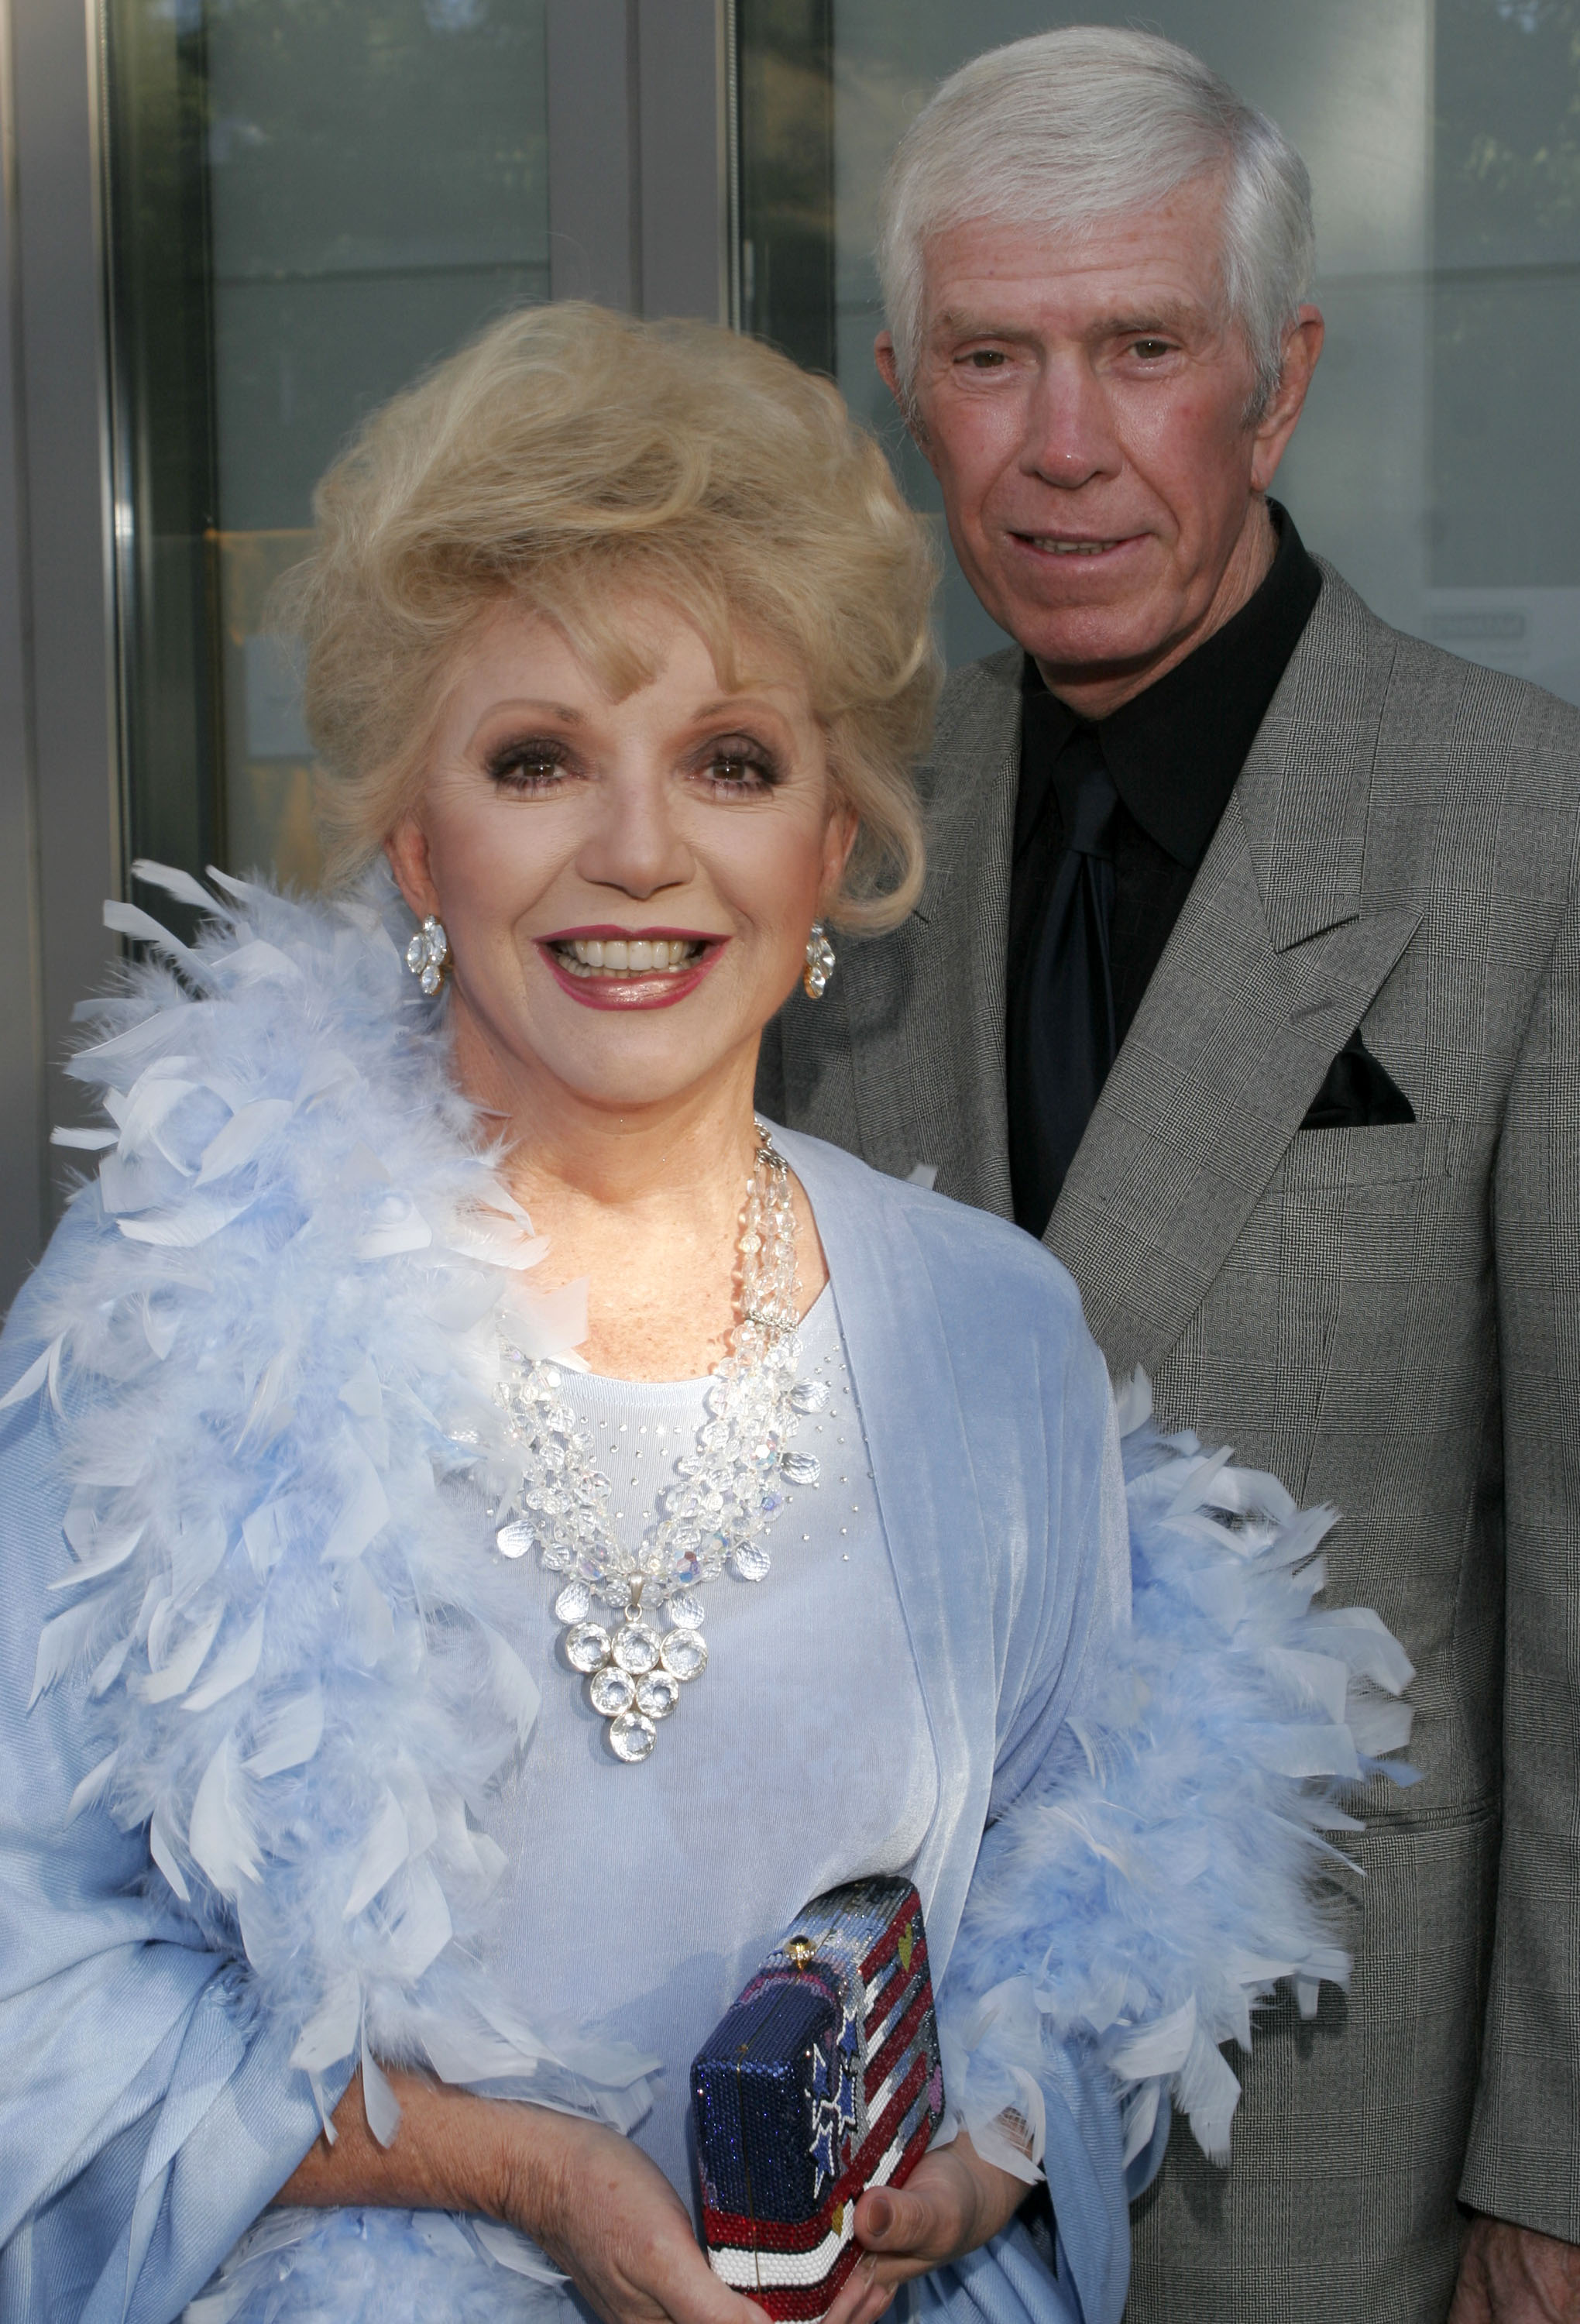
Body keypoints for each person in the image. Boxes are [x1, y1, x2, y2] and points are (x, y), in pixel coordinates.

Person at [0, 304, 1408, 2324]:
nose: (641, 850)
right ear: (416, 837)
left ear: (831, 845)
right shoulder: (174, 1314)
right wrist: (534, 2179)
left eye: (729, 760)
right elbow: (18, 1971)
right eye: (539, 758)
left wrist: (969, 2166)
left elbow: (1097, 1908)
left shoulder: (991, 1345)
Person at [756, 26, 1580, 2324]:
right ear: (909, 388)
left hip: (1341, 2118)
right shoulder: (836, 833)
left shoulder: (1529, 829)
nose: (1064, 448)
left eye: (1144, 350)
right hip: (880, 2129)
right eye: (995, 359)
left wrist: (1567, 2152)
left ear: (1278, 385)